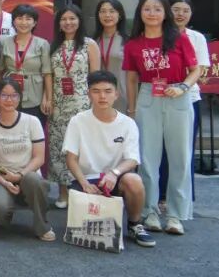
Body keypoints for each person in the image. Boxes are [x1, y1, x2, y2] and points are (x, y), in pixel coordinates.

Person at [124, 0, 200, 236]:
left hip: (177, 95)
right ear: (140, 13)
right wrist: (132, 109)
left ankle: (176, 215)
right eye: (147, 9)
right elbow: (131, 78)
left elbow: (196, 69)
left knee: (180, 157)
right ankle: (149, 212)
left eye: (157, 9)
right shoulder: (133, 44)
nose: (152, 13)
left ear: (165, 13)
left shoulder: (179, 38)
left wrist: (183, 87)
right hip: (148, 96)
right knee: (147, 158)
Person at [64, 70, 155, 248]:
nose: (102, 96)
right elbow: (71, 159)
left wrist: (114, 173)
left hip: (115, 180)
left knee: (134, 180)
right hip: (86, 180)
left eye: (107, 91)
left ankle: (135, 224)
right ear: (88, 94)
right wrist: (84, 183)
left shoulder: (128, 123)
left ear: (116, 94)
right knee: (85, 230)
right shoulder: (77, 121)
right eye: (96, 91)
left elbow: (132, 159)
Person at [0, 78, 54, 241]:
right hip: (3, 178)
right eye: (4, 95)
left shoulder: (32, 121)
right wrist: (4, 181)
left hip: (28, 175)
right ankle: (5, 213)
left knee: (34, 181)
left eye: (14, 95)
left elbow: (39, 158)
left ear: (20, 98)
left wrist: (20, 175)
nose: (9, 100)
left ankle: (42, 225)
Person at [48, 4, 100, 208]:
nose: (68, 23)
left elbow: (96, 77)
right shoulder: (54, 46)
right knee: (59, 147)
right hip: (59, 104)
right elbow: (49, 76)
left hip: (82, 103)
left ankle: (83, 191)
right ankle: (63, 193)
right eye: (64, 19)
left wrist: (94, 103)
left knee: (81, 148)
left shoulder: (89, 44)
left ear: (79, 21)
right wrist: (48, 99)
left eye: (72, 18)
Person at [162, 0, 210, 205]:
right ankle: (162, 195)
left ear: (191, 14)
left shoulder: (196, 37)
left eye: (185, 10)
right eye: (176, 9)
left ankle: (184, 197)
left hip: (189, 98)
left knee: (184, 149)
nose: (180, 14)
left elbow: (201, 68)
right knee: (161, 150)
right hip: (160, 96)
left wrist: (182, 84)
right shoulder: (157, 34)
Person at [0, 3, 52, 122]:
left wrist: (47, 98)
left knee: (34, 128)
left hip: (35, 96)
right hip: (9, 95)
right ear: (13, 21)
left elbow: (47, 74)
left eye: (28, 19)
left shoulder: (42, 44)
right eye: (20, 18)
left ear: (34, 22)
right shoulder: (5, 42)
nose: (24, 22)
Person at [93, 0, 129, 112]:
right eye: (103, 11)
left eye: (112, 11)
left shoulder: (128, 41)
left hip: (121, 96)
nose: (107, 15)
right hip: (98, 96)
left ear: (120, 15)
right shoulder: (93, 41)